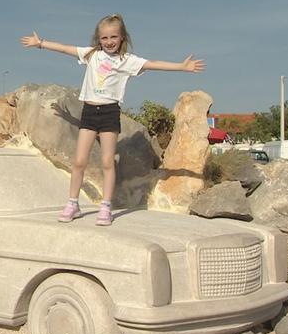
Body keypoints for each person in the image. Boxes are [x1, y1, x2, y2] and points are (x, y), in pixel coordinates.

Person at [20, 13, 205, 226]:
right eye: (105, 38)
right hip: (89, 112)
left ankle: (106, 206)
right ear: (98, 39)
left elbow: (153, 64)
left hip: (109, 113)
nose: (109, 42)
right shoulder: (91, 55)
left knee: (108, 162)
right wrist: (40, 43)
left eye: (113, 37)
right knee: (79, 161)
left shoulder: (127, 61)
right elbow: (65, 48)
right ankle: (73, 203)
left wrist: (181, 67)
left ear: (122, 38)